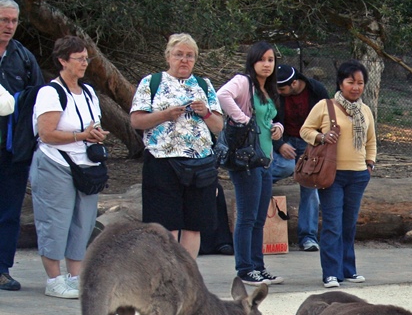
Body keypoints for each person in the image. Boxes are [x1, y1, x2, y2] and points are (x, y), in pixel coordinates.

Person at [129, 33, 224, 259]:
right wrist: (164, 115)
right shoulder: (151, 82)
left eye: (189, 56)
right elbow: (136, 121)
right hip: (163, 162)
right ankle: (166, 273)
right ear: (168, 57)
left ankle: (187, 275)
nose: (184, 60)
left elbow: (219, 126)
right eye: (179, 54)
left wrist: (206, 113)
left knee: (194, 224)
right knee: (165, 225)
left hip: (200, 163)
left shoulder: (204, 85)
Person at [29, 35, 109, 299]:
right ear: (63, 61)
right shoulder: (50, 93)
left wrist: (95, 135)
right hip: (55, 164)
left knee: (82, 222)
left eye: (87, 58)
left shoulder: (88, 93)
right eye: (79, 59)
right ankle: (54, 279)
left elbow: (91, 127)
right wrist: (81, 135)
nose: (85, 63)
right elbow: (47, 133)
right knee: (55, 221)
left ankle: (76, 277)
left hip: (85, 166)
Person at [300, 60, 376, 287]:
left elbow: (371, 140)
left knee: (349, 224)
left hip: (358, 175)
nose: (355, 87)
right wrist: (321, 137)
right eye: (350, 82)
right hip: (331, 174)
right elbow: (305, 130)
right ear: (340, 83)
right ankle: (331, 273)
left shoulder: (365, 111)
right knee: (333, 223)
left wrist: (370, 164)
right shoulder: (325, 106)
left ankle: (348, 269)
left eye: (360, 83)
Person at [217, 41, 285, 286]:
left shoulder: (269, 89)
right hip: (246, 160)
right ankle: (245, 268)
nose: (267, 65)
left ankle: (258, 266)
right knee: (246, 217)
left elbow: (269, 119)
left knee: (259, 218)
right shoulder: (244, 82)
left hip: (265, 159)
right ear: (252, 62)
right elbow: (222, 95)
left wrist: (278, 127)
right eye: (262, 60)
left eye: (270, 60)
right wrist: (243, 119)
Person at [0, 0, 44, 292]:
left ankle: (2, 269)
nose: (9, 26)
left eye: (14, 21)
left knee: (9, 211)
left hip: (12, 150)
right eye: (4, 19)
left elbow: (38, 100)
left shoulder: (23, 57)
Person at [271, 64, 329, 252]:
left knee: (310, 187)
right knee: (282, 168)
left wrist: (319, 144)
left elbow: (328, 118)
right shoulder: (276, 94)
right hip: (285, 142)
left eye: (282, 89)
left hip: (310, 143)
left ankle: (308, 237)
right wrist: (279, 145)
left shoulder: (316, 90)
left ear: (294, 83)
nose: (278, 92)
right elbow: (268, 122)